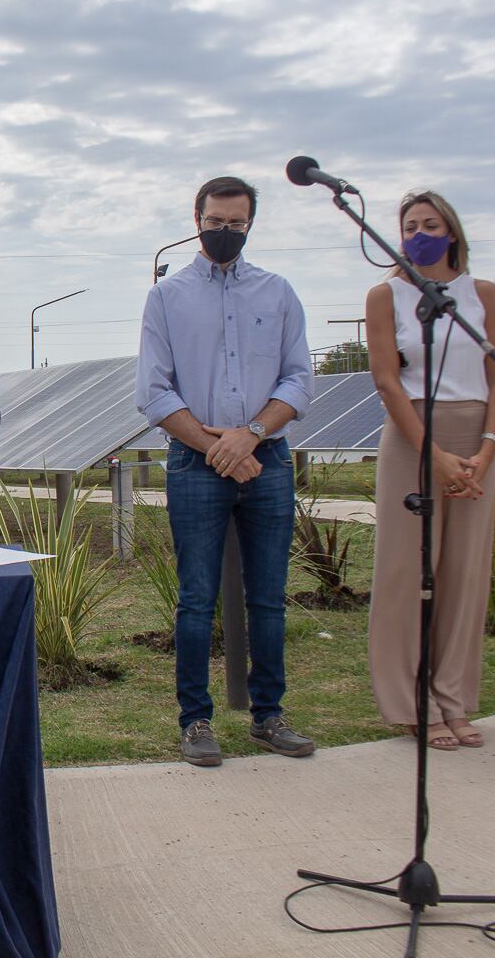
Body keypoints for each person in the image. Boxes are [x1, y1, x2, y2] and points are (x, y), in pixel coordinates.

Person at [135, 176, 315, 767]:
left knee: (268, 599)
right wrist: (218, 450)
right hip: (194, 461)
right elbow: (154, 391)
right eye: (216, 221)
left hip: (267, 459)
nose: (225, 232)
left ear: (250, 224)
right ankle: (195, 722)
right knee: (196, 599)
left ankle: (269, 717)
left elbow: (297, 378)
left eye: (236, 224)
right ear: (197, 217)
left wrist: (251, 436)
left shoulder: (278, 292)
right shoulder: (167, 297)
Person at [365, 191, 495, 750]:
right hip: (412, 438)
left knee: (464, 573)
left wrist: (488, 448)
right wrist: (435, 455)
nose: (419, 233)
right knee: (406, 571)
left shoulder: (484, 294)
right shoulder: (387, 296)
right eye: (409, 225)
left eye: (430, 224)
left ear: (452, 232)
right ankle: (410, 702)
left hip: (478, 439)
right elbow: (386, 380)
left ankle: (452, 696)